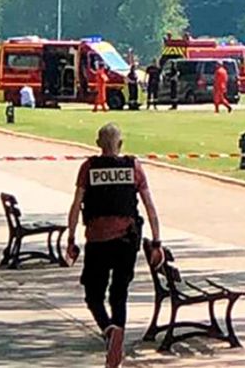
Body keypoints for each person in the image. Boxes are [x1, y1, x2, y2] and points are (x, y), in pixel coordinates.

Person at [66, 123, 164, 368]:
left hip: (98, 240)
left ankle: (109, 332)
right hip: (126, 241)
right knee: (119, 294)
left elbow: (77, 205)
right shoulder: (133, 167)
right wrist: (157, 241)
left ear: (98, 144)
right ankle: (116, 336)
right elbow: (150, 206)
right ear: (121, 145)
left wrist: (70, 238)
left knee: (93, 295)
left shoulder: (88, 168)